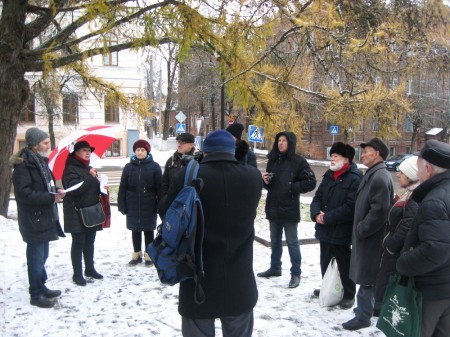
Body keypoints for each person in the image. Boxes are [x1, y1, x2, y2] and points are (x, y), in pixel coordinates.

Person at [159, 130, 262, 337]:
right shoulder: (253, 177)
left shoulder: (189, 176)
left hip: (197, 276)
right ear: (232, 150)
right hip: (238, 279)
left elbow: (165, 212)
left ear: (204, 151)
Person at [397, 140, 450, 337]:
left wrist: (403, 263)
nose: (417, 174)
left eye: (418, 168)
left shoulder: (435, 199)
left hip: (431, 291)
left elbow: (435, 249)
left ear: (428, 168)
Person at [342, 137, 393, 331]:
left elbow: (379, 212)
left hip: (371, 238)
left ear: (377, 152)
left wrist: (362, 229)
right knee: (365, 276)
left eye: (366, 151)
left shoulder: (379, 176)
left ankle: (363, 317)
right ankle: (364, 309)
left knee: (366, 277)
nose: (362, 154)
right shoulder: (374, 173)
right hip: (367, 236)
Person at [11, 128, 65, 308]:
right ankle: (35, 294)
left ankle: (41, 286)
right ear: (34, 145)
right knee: (36, 258)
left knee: (43, 256)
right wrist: (50, 197)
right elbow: (24, 194)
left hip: (44, 217)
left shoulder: (41, 162)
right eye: (45, 143)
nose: (48, 146)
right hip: (33, 219)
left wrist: (55, 192)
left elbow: (46, 186)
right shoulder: (23, 165)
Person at [257, 131, 316, 288]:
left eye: (284, 141)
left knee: (292, 243)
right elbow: (268, 184)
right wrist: (265, 181)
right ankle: (275, 267)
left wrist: (292, 187)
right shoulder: (273, 160)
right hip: (273, 207)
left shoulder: (299, 162)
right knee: (275, 242)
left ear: (290, 143)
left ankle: (296, 273)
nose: (280, 143)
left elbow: (311, 182)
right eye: (279, 140)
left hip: (289, 209)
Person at [310, 142, 362, 309]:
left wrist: (328, 218)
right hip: (325, 228)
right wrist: (316, 214)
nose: (332, 159)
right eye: (331, 156)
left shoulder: (354, 177)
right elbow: (317, 197)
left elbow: (350, 207)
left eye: (336, 156)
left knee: (343, 262)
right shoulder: (328, 175)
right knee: (325, 260)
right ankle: (328, 286)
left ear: (346, 159)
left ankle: (348, 293)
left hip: (341, 229)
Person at [374, 155, 420, 314]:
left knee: (388, 277)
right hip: (390, 244)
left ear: (412, 175)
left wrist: (392, 244)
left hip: (395, 248)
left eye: (402, 172)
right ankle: (378, 305)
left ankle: (381, 307)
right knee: (383, 275)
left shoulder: (414, 195)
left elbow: (409, 223)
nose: (398, 174)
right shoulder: (405, 191)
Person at [62, 141, 105, 286]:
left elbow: (90, 188)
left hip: (90, 211)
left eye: (89, 151)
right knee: (78, 243)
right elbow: (75, 190)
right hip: (76, 212)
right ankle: (77, 273)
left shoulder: (88, 168)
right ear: (76, 152)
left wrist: (100, 186)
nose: (88, 153)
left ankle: (89, 269)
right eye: (84, 150)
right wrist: (89, 176)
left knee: (90, 242)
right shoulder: (70, 169)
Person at [118, 140, 162, 265]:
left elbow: (160, 188)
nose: (140, 152)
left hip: (149, 203)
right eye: (137, 150)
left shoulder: (154, 166)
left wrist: (160, 204)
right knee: (135, 230)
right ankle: (136, 254)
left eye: (142, 150)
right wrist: (122, 203)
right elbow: (122, 187)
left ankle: (149, 255)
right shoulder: (128, 167)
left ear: (147, 151)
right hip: (132, 203)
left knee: (148, 230)